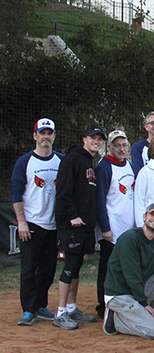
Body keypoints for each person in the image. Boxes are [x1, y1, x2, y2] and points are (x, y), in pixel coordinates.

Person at [102, 203, 154, 339]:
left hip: (139, 288)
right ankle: (115, 320)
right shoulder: (130, 238)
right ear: (144, 217)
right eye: (152, 215)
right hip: (120, 293)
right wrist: (145, 304)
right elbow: (132, 276)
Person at [53, 125, 106, 329]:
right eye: (93, 138)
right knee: (69, 266)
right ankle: (60, 312)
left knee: (77, 267)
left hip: (85, 226)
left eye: (99, 139)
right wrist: (72, 216)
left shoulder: (89, 162)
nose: (96, 141)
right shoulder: (72, 159)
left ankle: (72, 308)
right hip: (72, 225)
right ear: (84, 139)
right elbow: (63, 192)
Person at [12, 118, 62, 325]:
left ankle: (41, 304)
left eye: (49, 133)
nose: (46, 137)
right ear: (35, 136)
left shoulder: (61, 160)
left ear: (53, 136)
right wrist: (21, 222)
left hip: (53, 225)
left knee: (48, 269)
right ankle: (29, 309)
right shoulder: (25, 162)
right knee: (28, 269)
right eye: (42, 133)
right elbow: (16, 193)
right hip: (32, 224)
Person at [94, 130, 136, 317]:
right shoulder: (103, 167)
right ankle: (103, 305)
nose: (121, 149)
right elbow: (99, 200)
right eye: (116, 145)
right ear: (108, 147)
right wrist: (105, 228)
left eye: (124, 145)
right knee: (107, 268)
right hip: (112, 229)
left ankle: (122, 302)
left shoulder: (128, 165)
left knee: (124, 267)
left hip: (128, 227)